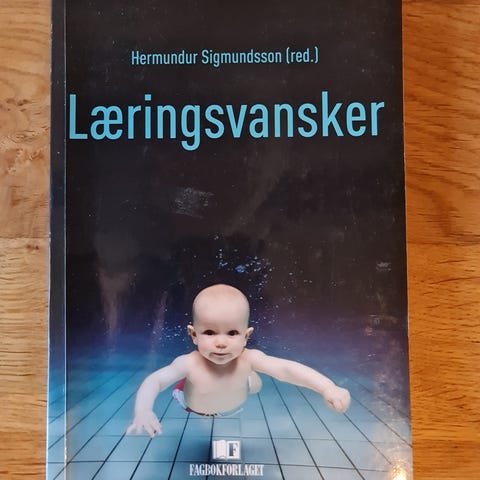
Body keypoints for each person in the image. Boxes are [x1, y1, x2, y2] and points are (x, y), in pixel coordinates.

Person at [127, 284, 350, 437]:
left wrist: (327, 387)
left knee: (255, 379)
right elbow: (155, 381)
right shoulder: (189, 363)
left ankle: (250, 378)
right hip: (190, 404)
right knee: (191, 384)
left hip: (237, 398)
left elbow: (286, 369)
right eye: (210, 332)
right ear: (193, 335)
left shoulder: (249, 357)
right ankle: (246, 379)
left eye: (232, 333)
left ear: (246, 336)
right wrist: (143, 410)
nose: (221, 343)